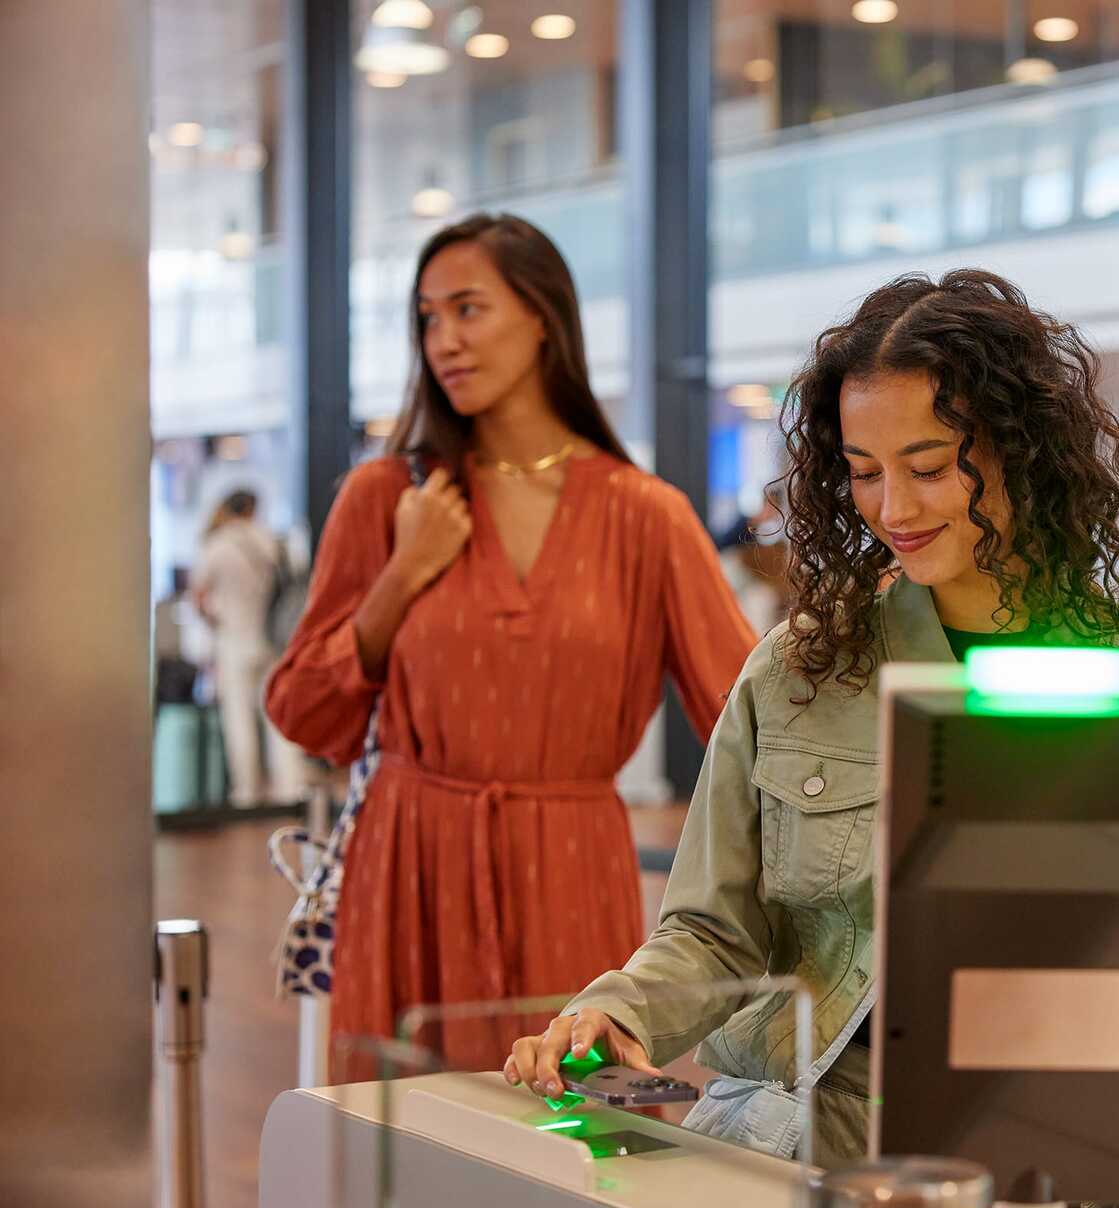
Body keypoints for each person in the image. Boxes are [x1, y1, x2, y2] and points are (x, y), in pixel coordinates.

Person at [506, 268, 1119, 1165]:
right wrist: (621, 1011)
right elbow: (710, 930)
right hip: (811, 1131)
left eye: (929, 467)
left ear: (1023, 449)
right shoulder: (800, 669)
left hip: (1060, 1143)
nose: (892, 508)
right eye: (863, 473)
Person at [266, 214, 757, 1073]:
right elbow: (305, 713)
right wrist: (399, 578)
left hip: (570, 870)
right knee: (398, 1155)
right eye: (427, 318)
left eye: (468, 309)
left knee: (567, 1150)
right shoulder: (386, 498)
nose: (443, 339)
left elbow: (748, 718)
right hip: (407, 872)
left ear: (543, 316)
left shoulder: (645, 516)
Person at [192, 489, 304, 807]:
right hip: (273, 640)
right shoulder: (272, 541)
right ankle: (289, 787)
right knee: (276, 717)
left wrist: (215, 619)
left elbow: (199, 595)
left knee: (238, 719)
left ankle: (247, 792)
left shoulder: (217, 545)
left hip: (234, 641)